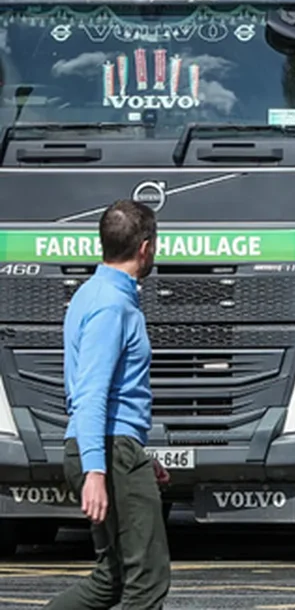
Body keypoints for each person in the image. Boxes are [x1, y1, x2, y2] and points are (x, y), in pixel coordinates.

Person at [45, 200, 171, 610]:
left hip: (111, 448)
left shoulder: (90, 294)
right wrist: (98, 469)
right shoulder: (112, 307)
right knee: (147, 580)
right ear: (146, 248)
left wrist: (136, 453)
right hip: (105, 452)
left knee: (110, 579)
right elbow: (93, 392)